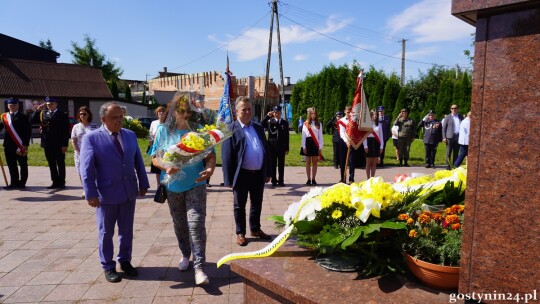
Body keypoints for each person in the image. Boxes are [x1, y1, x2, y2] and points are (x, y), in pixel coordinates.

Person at [80, 102, 149, 283]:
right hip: (105, 194)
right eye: (114, 117)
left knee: (126, 230)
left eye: (121, 117)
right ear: (103, 119)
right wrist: (90, 193)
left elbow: (138, 161)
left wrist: (143, 182)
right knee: (106, 232)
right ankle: (108, 266)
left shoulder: (130, 135)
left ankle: (125, 261)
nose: (119, 120)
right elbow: (86, 169)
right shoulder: (92, 138)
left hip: (128, 191)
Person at [149, 95, 215, 285]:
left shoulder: (198, 132)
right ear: (173, 112)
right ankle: (185, 254)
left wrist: (209, 169)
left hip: (196, 183)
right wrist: (165, 167)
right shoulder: (163, 131)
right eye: (182, 111)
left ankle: (200, 268)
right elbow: (155, 158)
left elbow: (210, 156)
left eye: (189, 111)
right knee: (180, 224)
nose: (185, 114)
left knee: (195, 223)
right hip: (172, 185)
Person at [222, 96, 272, 247]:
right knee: (240, 206)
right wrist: (229, 180)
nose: (248, 112)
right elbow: (226, 156)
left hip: (258, 174)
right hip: (241, 174)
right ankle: (240, 232)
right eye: (244, 109)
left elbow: (265, 150)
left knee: (257, 203)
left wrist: (268, 171)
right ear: (236, 111)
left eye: (250, 109)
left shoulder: (258, 127)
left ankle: (255, 229)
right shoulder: (231, 129)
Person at [31, 97, 70, 189]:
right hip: (47, 143)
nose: (50, 106)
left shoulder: (62, 114)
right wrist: (37, 111)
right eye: (48, 104)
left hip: (59, 143)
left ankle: (61, 182)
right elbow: (32, 121)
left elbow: (65, 131)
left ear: (56, 104)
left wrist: (65, 144)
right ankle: (55, 181)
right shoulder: (43, 114)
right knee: (51, 163)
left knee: (60, 163)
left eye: (52, 104)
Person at [0, 97, 31, 190]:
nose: (12, 106)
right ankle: (14, 182)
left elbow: (27, 132)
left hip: (20, 145)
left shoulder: (24, 117)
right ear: (7, 106)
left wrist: (25, 144)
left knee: (23, 165)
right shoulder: (4, 117)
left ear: (18, 105)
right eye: (10, 105)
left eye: (14, 105)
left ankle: (22, 183)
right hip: (8, 145)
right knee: (11, 165)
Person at [71, 106, 98, 197]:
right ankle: (85, 189)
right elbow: (73, 140)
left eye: (84, 114)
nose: (82, 115)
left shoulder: (94, 126)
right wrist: (78, 151)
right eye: (81, 114)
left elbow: (98, 140)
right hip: (79, 153)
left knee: (93, 171)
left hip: (92, 153)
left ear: (88, 114)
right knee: (81, 172)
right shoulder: (76, 126)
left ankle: (94, 188)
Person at [261, 106, 289, 186]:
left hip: (281, 147)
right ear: (273, 113)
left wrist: (287, 147)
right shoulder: (270, 122)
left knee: (281, 164)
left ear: (281, 113)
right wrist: (267, 116)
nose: (277, 114)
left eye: (279, 112)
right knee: (273, 163)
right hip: (272, 146)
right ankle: (273, 179)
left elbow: (287, 136)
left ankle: (281, 180)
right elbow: (261, 124)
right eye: (276, 112)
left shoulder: (284, 123)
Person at [338, 106, 365, 183]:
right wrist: (347, 141)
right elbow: (342, 133)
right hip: (344, 142)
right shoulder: (341, 121)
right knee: (343, 161)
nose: (349, 114)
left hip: (352, 142)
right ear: (344, 112)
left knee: (352, 161)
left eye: (350, 112)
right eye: (347, 112)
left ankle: (351, 178)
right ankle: (343, 178)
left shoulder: (354, 121)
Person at [301, 107, 324, 185]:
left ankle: (313, 179)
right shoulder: (306, 123)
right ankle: (308, 179)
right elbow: (303, 136)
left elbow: (320, 136)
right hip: (308, 143)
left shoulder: (319, 124)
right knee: (307, 162)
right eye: (311, 113)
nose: (313, 115)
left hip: (315, 144)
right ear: (309, 114)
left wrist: (320, 147)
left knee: (315, 162)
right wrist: (303, 146)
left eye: (314, 113)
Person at [148, 106, 167, 186]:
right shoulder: (154, 123)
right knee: (156, 167)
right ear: (157, 113)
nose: (161, 113)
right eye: (159, 112)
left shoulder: (167, 123)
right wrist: (150, 144)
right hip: (156, 147)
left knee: (164, 165)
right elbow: (151, 134)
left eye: (163, 112)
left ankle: (165, 183)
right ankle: (158, 184)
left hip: (164, 148)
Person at [442, 104, 464, 169]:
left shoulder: (460, 117)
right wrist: (444, 137)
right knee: (448, 152)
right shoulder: (448, 117)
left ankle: (455, 166)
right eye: (452, 108)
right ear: (450, 109)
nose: (454, 109)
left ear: (457, 109)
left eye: (455, 108)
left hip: (458, 137)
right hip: (449, 137)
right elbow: (444, 128)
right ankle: (447, 166)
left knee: (456, 152)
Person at [363, 110, 384, 179]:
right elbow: (364, 136)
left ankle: (372, 178)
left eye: (376, 115)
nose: (375, 116)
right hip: (369, 142)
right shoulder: (367, 125)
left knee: (374, 163)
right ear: (371, 115)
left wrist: (381, 146)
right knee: (368, 162)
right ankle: (368, 178)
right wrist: (365, 146)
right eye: (373, 114)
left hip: (376, 143)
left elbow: (381, 136)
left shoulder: (379, 125)